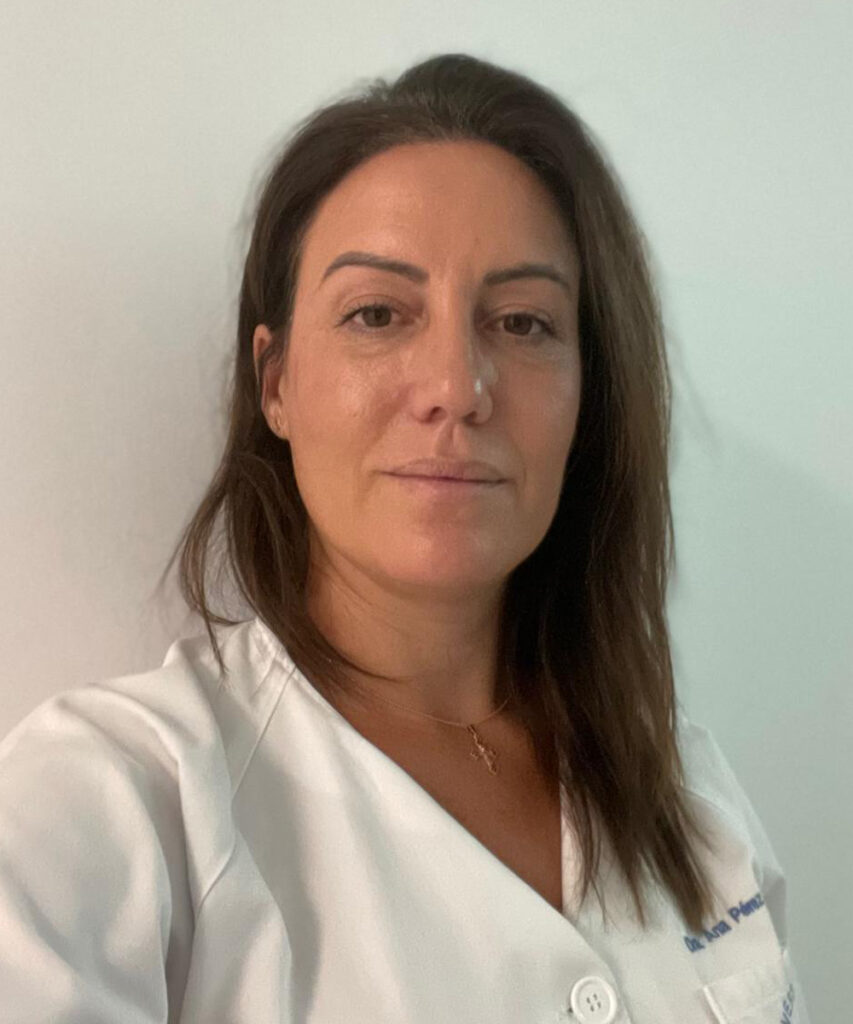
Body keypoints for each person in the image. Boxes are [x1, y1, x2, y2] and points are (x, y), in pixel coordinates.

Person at [0, 52, 810, 1023]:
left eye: (522, 323)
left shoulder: (687, 792)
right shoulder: (110, 802)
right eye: (377, 314)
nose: (456, 388)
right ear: (276, 383)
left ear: (588, 392)